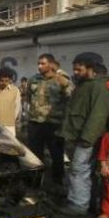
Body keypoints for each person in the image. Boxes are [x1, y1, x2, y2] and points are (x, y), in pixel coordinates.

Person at [59, 57, 109, 215]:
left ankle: (79, 205)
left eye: (79, 69)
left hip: (87, 138)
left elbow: (98, 116)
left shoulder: (98, 87)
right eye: (74, 69)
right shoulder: (84, 85)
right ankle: (80, 200)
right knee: (79, 170)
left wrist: (87, 138)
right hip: (78, 135)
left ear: (91, 68)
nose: (75, 72)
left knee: (79, 170)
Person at [27, 54, 74, 188]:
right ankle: (35, 182)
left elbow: (70, 99)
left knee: (57, 155)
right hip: (35, 123)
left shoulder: (61, 80)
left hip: (54, 124)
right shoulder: (33, 79)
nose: (39, 66)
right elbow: (29, 97)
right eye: (38, 63)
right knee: (35, 155)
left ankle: (57, 182)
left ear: (51, 64)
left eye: (42, 63)